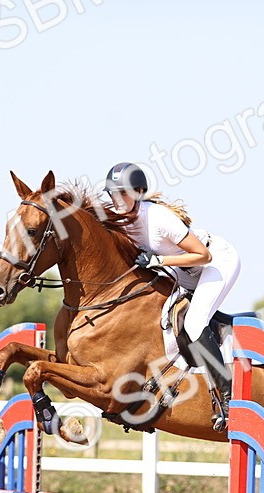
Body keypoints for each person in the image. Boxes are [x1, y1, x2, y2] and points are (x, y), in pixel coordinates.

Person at [102, 162, 241, 427]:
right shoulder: (120, 219)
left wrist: (158, 260)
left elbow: (203, 255)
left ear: (139, 192)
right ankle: (224, 326)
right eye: (113, 193)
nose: (117, 199)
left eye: (123, 193)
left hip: (215, 263)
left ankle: (228, 395)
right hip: (183, 273)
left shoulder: (157, 218)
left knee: (194, 322)